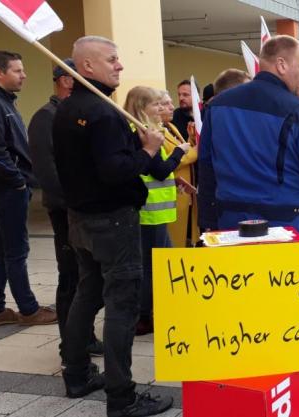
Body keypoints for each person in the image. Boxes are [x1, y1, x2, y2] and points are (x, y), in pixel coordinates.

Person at [53, 36, 173, 415]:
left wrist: (138, 146)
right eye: (112, 59)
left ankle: (76, 374)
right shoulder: (102, 112)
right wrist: (148, 149)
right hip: (112, 220)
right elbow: (115, 170)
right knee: (122, 305)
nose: (120, 65)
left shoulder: (67, 108)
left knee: (87, 294)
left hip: (81, 218)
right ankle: (122, 397)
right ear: (87, 66)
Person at [199, 35, 299, 239]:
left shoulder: (217, 105)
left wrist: (207, 221)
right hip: (284, 225)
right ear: (281, 65)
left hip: (229, 222)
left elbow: (206, 166)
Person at [28, 58, 103, 355]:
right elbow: (47, 171)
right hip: (66, 211)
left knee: (88, 277)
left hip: (84, 209)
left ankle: (84, 336)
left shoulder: (77, 114)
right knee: (71, 276)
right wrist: (73, 203)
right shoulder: (46, 117)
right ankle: (70, 345)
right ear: (66, 80)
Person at [0, 50, 57, 327]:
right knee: (17, 250)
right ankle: (29, 310)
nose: (24, 75)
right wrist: (18, 181)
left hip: (10, 187)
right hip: (7, 189)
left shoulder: (4, 102)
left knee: (5, 248)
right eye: (17, 70)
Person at [123, 86, 188, 336]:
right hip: (150, 211)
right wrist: (179, 153)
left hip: (156, 210)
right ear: (142, 107)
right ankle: (143, 315)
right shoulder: (142, 133)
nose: (161, 109)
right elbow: (159, 170)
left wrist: (175, 180)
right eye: (156, 104)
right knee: (152, 266)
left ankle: (157, 309)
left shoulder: (146, 130)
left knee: (161, 262)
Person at [195, 69, 251, 235]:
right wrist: (208, 219)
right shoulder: (216, 120)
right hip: (226, 210)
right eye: (248, 89)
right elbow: (206, 167)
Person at [158, 90, 199, 248]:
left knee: (185, 237)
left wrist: (191, 139)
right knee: (174, 240)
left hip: (183, 192)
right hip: (171, 195)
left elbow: (182, 149)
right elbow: (175, 158)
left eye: (170, 102)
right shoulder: (156, 131)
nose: (172, 106)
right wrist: (196, 151)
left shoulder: (170, 126)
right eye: (166, 104)